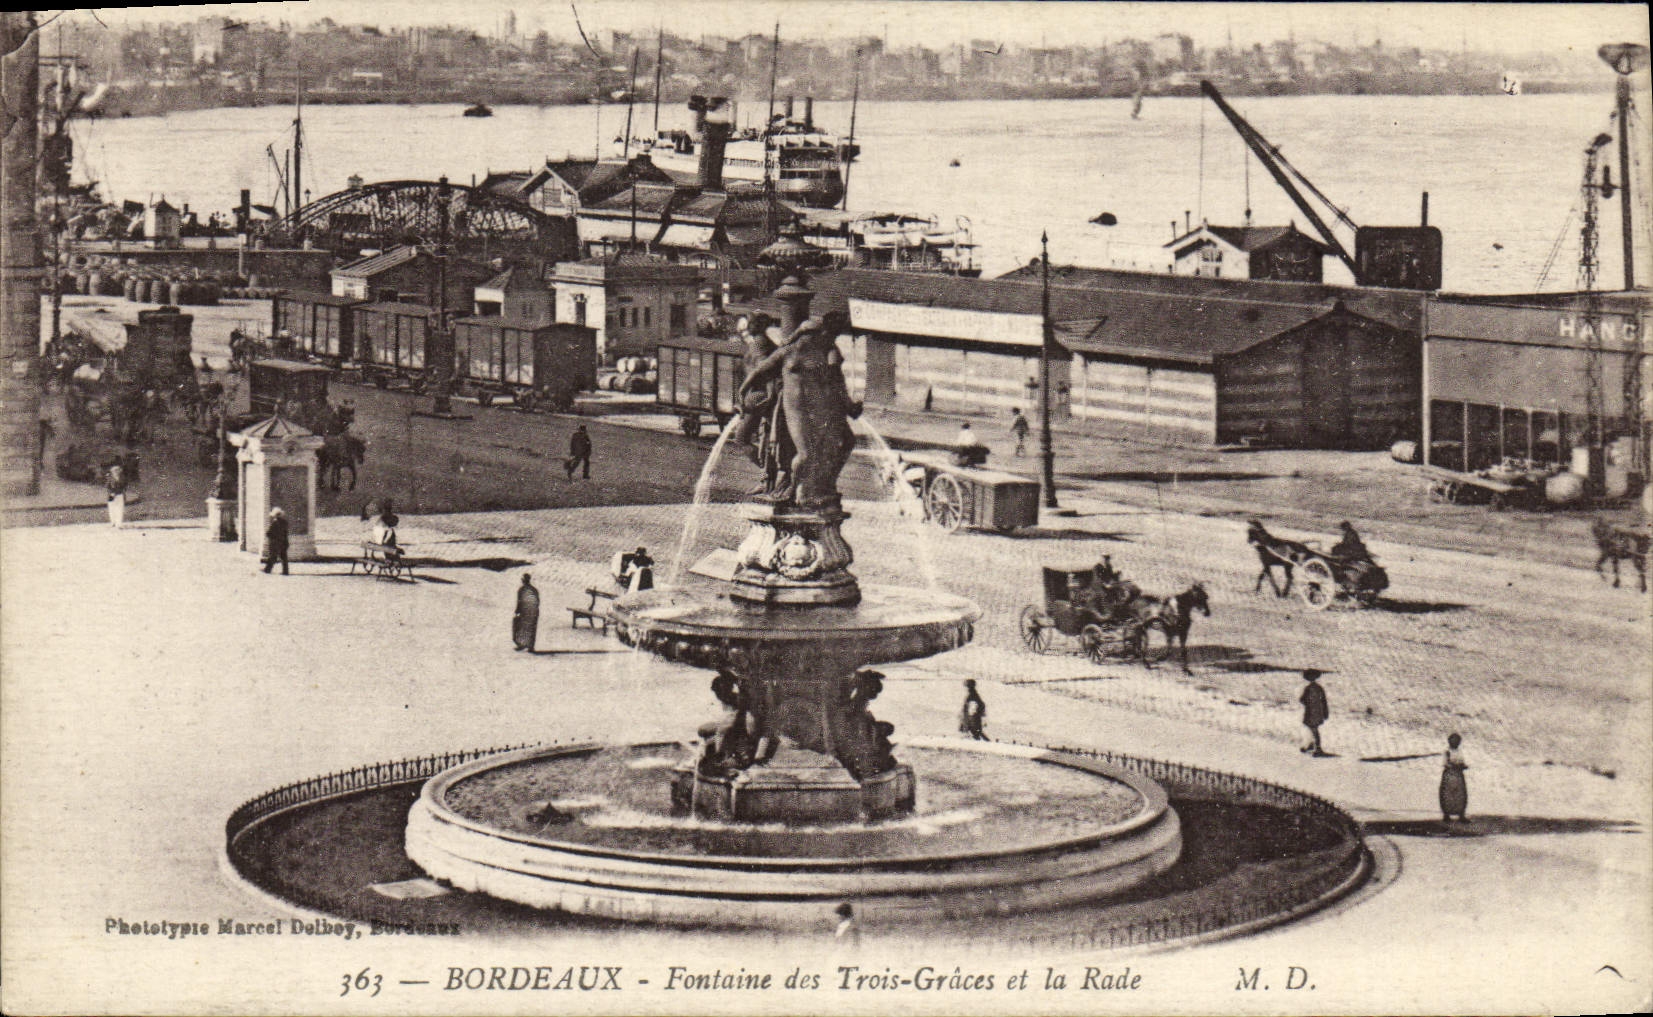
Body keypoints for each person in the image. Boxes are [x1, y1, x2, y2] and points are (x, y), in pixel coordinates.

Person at [1439, 732, 1469, 822]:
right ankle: (1446, 815)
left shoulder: (1459, 752)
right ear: (1449, 741)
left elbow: (1461, 761)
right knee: (1448, 794)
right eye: (1454, 741)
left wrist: (1463, 765)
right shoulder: (1447, 752)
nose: (1456, 743)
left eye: (1457, 741)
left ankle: (1461, 814)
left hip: (1459, 775)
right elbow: (1446, 763)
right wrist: (1455, 766)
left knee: (1460, 794)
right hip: (1449, 775)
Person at [1299, 669, 1329, 756]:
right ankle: (1312, 745)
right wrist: (1325, 711)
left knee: (1313, 729)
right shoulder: (1319, 688)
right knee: (1313, 728)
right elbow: (1324, 701)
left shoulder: (1308, 688)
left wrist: (1308, 703)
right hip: (1317, 711)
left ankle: (1317, 748)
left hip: (1310, 712)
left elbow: (1302, 699)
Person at [512, 573, 541, 652]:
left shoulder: (522, 590)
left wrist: (518, 610)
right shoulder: (533, 589)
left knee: (524, 628)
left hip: (526, 612)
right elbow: (537, 602)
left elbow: (520, 601)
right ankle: (528, 645)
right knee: (530, 629)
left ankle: (524, 645)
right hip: (532, 612)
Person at [262, 507, 290, 575]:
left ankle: (267, 569)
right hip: (283, 541)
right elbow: (286, 533)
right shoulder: (285, 522)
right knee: (284, 557)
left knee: (272, 556)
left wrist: (270, 536)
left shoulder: (274, 523)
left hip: (275, 542)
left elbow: (269, 533)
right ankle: (285, 571)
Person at [104, 460, 127, 529]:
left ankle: (119, 523)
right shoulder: (109, 478)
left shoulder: (122, 478)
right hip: (111, 496)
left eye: (117, 470)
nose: (116, 472)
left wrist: (121, 492)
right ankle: (113, 522)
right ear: (112, 471)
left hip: (119, 495)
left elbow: (124, 486)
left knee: (120, 509)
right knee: (112, 509)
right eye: (115, 470)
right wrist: (111, 493)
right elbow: (107, 486)